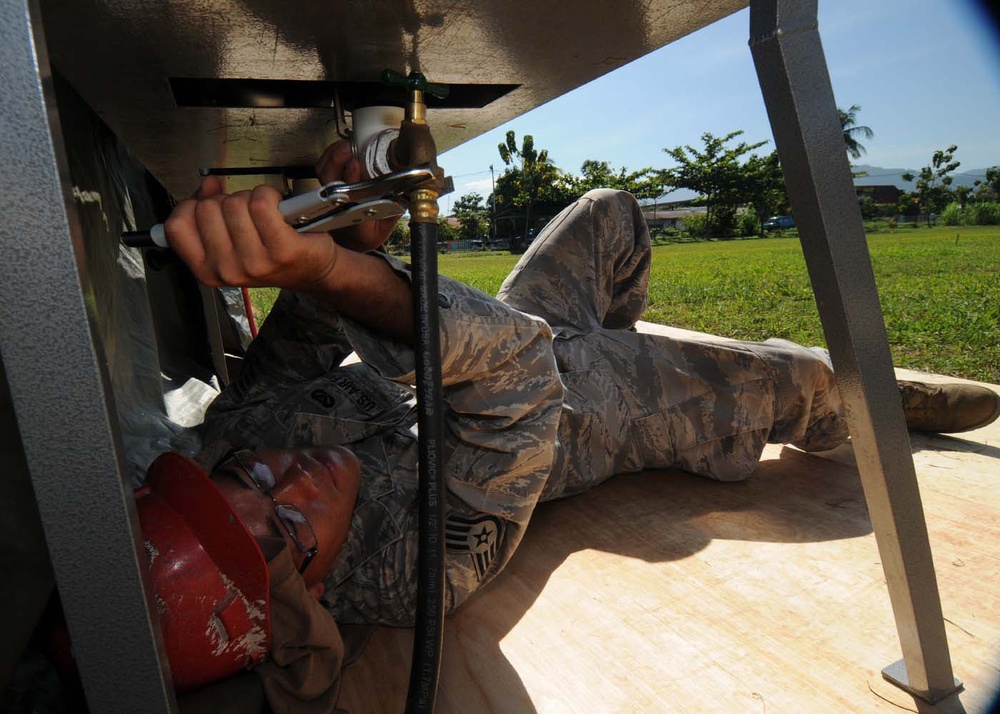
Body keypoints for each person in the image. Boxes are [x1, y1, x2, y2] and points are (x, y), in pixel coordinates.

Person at [156, 140, 1000, 708]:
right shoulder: (408, 572)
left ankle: (653, 348)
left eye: (256, 478)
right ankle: (872, 400)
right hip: (581, 409)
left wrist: (347, 244)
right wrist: (348, 271)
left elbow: (307, 327)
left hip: (497, 328)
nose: (296, 479)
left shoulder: (234, 436)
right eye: (296, 526)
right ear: (310, 592)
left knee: (613, 213)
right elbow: (518, 375)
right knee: (806, 385)